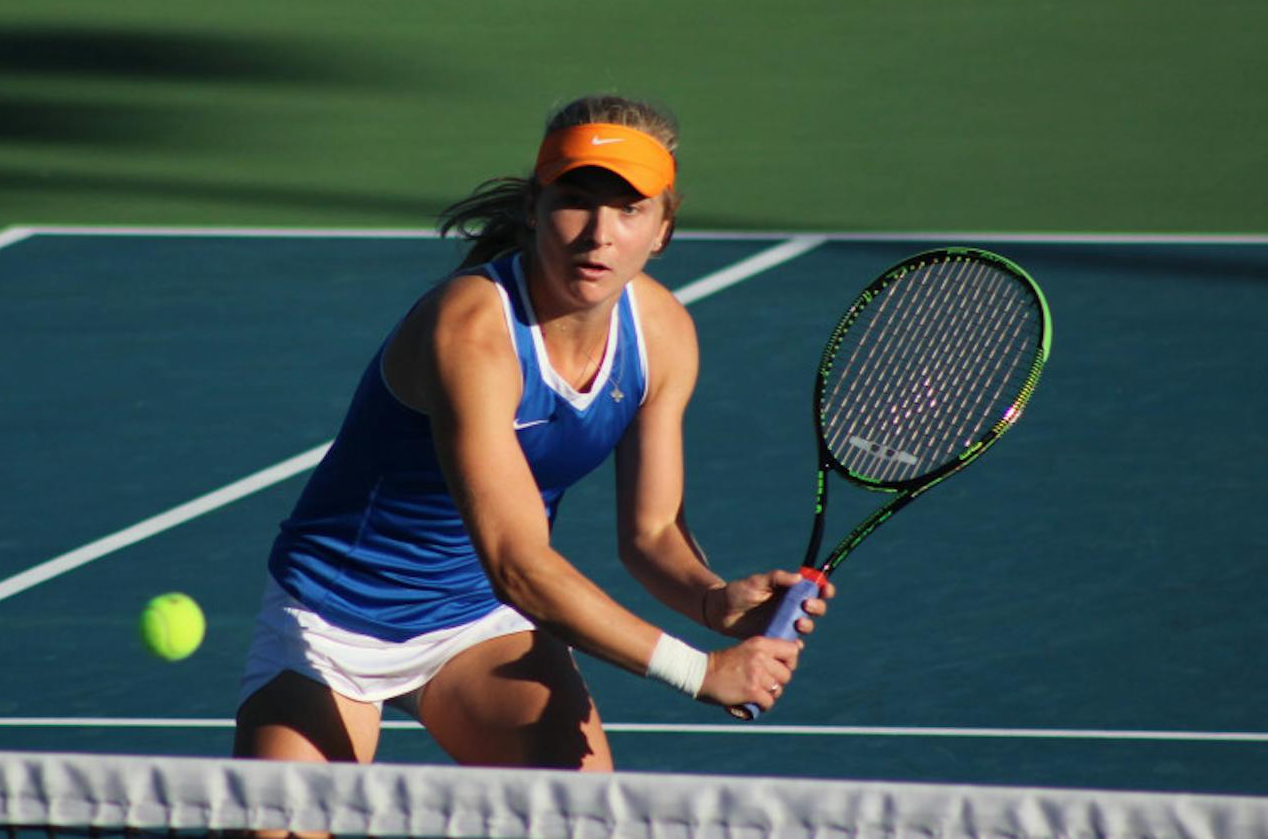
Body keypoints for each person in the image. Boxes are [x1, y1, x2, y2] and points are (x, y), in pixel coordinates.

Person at [233, 95, 832, 772]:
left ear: (663, 229)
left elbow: (653, 533)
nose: (598, 234)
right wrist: (700, 670)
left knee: (579, 817)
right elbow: (518, 562)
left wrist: (710, 597)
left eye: (630, 209)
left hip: (477, 625)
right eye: (576, 201)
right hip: (333, 623)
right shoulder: (471, 328)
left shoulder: (662, 335)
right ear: (535, 209)